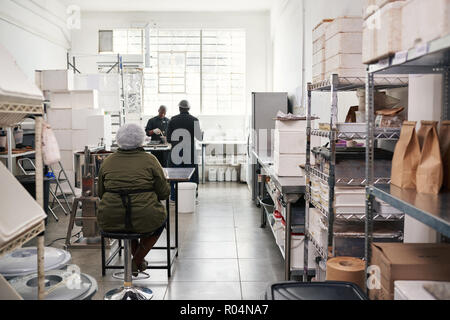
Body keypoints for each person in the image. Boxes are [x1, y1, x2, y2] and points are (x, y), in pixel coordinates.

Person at [97, 123, 170, 276]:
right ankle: (137, 260)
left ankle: (135, 261)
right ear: (142, 140)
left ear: (118, 139)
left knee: (128, 223)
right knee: (157, 221)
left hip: (111, 218)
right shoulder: (150, 160)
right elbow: (164, 193)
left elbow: (100, 193)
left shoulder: (108, 161)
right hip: (144, 217)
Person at [167, 100, 203, 200]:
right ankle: (190, 197)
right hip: (189, 152)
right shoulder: (194, 120)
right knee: (191, 173)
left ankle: (174, 197)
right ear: (189, 108)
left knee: (174, 173)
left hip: (176, 152)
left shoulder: (172, 120)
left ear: (179, 108)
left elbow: (168, 139)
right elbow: (199, 137)